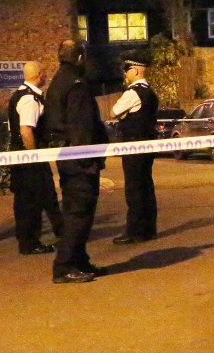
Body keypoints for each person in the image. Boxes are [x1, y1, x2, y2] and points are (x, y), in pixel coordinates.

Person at [42, 40, 109, 284]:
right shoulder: (77, 85)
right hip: (79, 159)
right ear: (80, 58)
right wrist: (88, 161)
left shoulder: (59, 81)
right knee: (78, 214)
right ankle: (65, 266)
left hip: (67, 156)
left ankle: (79, 261)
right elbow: (82, 126)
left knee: (77, 211)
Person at [7, 61, 63, 255]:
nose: (46, 77)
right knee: (35, 200)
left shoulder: (20, 95)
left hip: (22, 156)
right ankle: (32, 241)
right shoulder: (30, 99)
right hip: (29, 157)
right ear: (39, 75)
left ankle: (35, 239)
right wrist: (34, 156)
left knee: (33, 198)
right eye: (44, 73)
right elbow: (26, 131)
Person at [110, 56, 159, 244]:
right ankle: (149, 229)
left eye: (127, 70)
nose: (125, 73)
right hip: (148, 145)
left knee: (134, 188)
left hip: (133, 145)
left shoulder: (132, 93)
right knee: (146, 186)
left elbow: (114, 112)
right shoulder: (150, 92)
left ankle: (135, 231)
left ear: (136, 71)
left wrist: (123, 114)